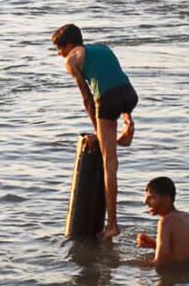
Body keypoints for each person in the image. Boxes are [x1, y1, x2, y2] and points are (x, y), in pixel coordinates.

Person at [53, 23, 138, 239]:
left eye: (59, 48)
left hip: (107, 99)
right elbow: (117, 78)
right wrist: (126, 115)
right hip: (129, 94)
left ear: (70, 45)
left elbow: (87, 98)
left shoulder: (72, 59)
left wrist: (97, 130)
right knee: (109, 139)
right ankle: (125, 130)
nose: (59, 53)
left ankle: (113, 225)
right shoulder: (103, 48)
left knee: (109, 161)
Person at [136, 177, 189, 266]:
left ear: (166, 199)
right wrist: (154, 244)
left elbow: (161, 262)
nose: (146, 202)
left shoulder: (166, 222)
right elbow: (179, 252)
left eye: (151, 197)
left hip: (174, 274)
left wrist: (122, 263)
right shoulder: (188, 217)